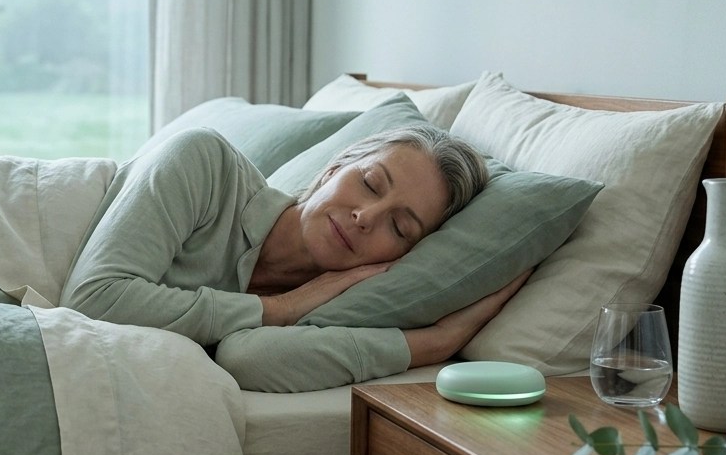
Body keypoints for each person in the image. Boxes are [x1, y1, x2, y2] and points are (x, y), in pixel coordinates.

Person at [60, 124, 527, 393]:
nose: (365, 217)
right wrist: (278, 308)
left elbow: (248, 359)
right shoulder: (205, 163)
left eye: (400, 227)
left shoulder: (333, 309)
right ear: (334, 167)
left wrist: (439, 342)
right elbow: (92, 300)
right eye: (369, 183)